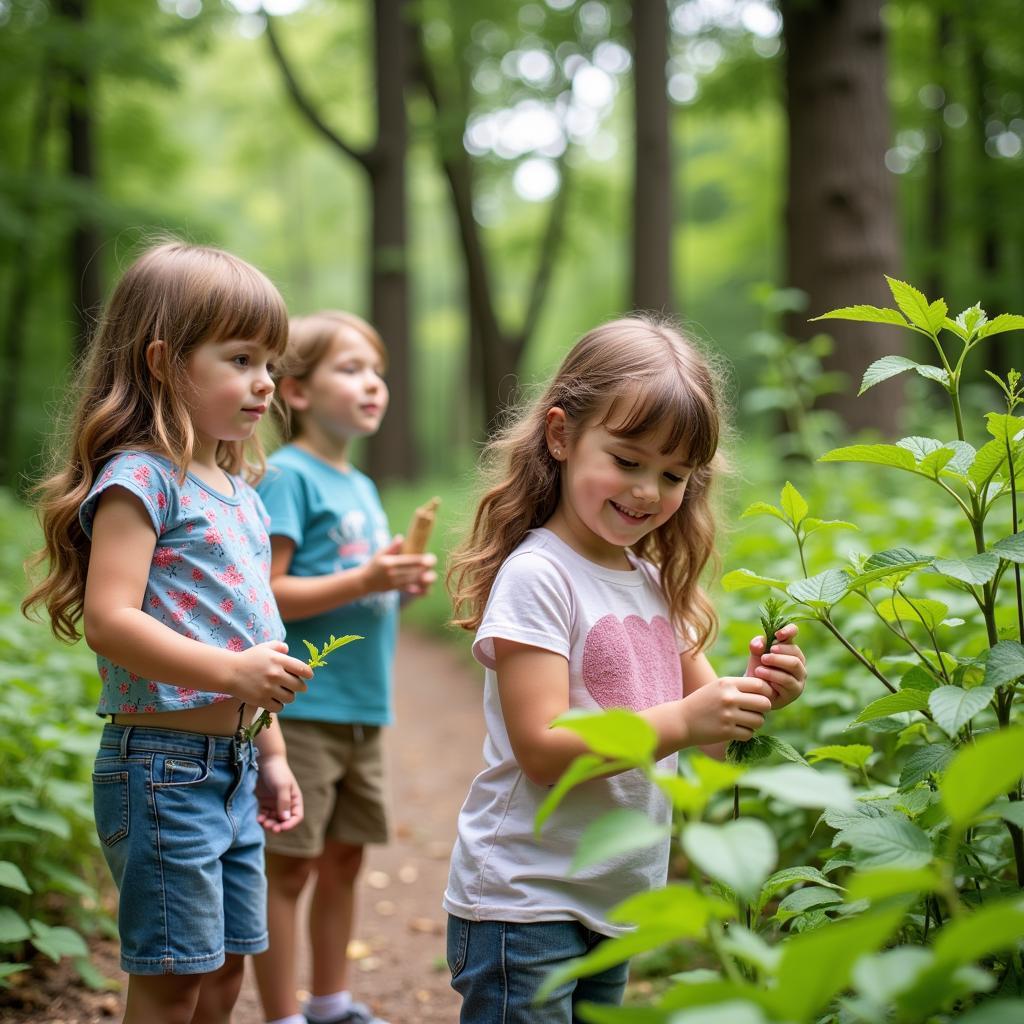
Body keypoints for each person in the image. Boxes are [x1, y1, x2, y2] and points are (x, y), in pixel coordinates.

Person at [444, 315, 808, 1021]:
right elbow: (544, 750)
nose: (647, 490)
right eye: (628, 460)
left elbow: (708, 737)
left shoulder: (651, 581)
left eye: (673, 475)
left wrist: (761, 690)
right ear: (561, 437)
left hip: (615, 899)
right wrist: (683, 717)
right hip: (524, 899)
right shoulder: (540, 576)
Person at [22, 239, 315, 1024]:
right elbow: (112, 623)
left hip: (238, 764)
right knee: (174, 975)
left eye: (272, 363)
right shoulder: (140, 479)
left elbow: (258, 631)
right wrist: (230, 677)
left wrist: (275, 755)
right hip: (162, 770)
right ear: (163, 361)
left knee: (224, 971)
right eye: (242, 358)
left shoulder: (244, 493)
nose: (265, 383)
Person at [252, 311, 436, 1024]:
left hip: (363, 707)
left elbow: (363, 577)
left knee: (346, 860)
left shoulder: (357, 483)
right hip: (301, 710)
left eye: (377, 371)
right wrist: (365, 581)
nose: (372, 384)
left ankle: (329, 1003)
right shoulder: (289, 477)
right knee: (290, 865)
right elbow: (268, 593)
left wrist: (395, 581)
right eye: (350, 369)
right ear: (295, 391)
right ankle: (280, 1014)